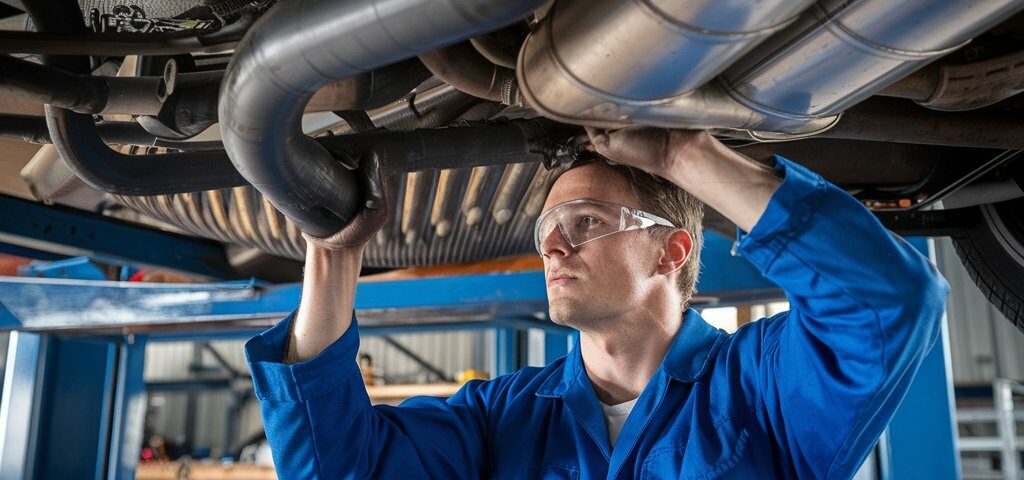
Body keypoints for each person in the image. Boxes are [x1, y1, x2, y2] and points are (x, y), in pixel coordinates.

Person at [244, 127, 949, 479]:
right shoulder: (502, 418)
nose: (553, 249)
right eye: (548, 231)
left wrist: (683, 153)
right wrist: (332, 250)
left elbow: (889, 303)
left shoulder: (759, 389)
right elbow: (339, 467)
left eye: (584, 222)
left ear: (670, 253)